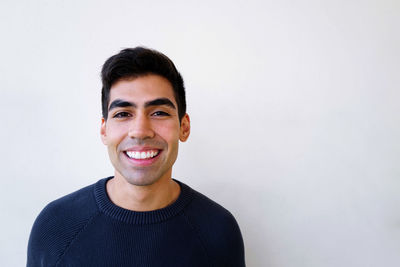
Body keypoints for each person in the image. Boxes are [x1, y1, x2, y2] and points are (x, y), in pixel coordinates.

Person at [27, 47, 245, 267]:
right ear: (104, 131)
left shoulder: (218, 231)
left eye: (159, 112)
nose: (140, 131)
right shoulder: (56, 227)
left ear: (184, 127)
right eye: (123, 114)